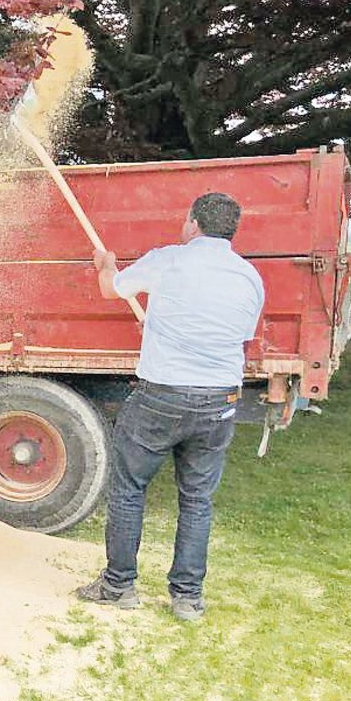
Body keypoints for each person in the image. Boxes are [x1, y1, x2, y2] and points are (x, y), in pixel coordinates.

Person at [76, 192, 265, 623]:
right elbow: (233, 334)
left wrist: (105, 264)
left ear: (194, 224)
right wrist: (161, 324)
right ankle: (187, 598)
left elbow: (110, 289)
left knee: (130, 489)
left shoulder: (167, 260)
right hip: (219, 401)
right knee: (197, 499)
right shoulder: (249, 277)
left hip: (161, 397)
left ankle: (118, 586)